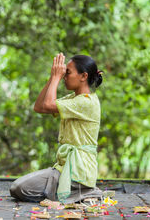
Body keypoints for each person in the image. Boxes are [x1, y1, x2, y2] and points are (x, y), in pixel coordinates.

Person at [10, 53, 103, 203]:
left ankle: (85, 192)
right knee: (18, 187)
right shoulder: (73, 98)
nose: (64, 77)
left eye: (68, 73)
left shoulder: (87, 102)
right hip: (63, 168)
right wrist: (52, 78)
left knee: (18, 188)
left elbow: (47, 104)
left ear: (83, 76)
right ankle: (74, 192)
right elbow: (39, 107)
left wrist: (55, 78)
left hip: (78, 170)